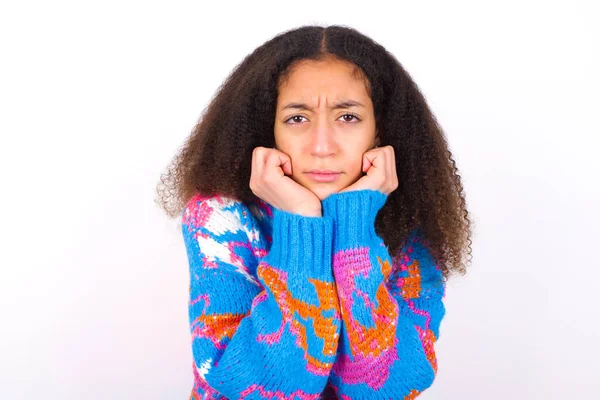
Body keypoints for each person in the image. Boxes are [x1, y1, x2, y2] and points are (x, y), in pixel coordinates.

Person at [156, 24, 472, 400]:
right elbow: (256, 391)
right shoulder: (219, 218)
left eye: (348, 117)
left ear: (379, 132)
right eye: (297, 118)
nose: (322, 146)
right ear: (269, 129)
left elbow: (387, 388)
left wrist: (354, 228)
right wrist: (301, 224)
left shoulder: (412, 221)